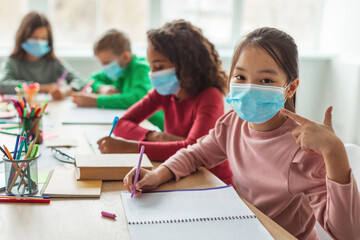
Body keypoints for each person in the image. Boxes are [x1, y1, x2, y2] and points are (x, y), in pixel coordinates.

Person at [123, 27, 360, 240]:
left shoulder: (303, 149)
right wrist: (158, 174)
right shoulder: (233, 122)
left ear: (291, 87)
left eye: (266, 80)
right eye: (240, 77)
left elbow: (347, 234)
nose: (248, 89)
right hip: (244, 227)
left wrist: (335, 154)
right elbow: (196, 153)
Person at [97, 20, 233, 185]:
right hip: (175, 174)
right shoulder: (164, 93)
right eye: (151, 67)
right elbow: (121, 123)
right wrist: (156, 136)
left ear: (185, 65)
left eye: (159, 67)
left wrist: (131, 147)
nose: (152, 74)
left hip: (210, 181)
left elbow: (192, 151)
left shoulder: (210, 96)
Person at [72, 29, 164, 130]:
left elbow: (136, 99)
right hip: (136, 123)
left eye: (107, 63)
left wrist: (96, 101)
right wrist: (102, 88)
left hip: (154, 127)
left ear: (125, 57)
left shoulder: (141, 69)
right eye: (101, 63)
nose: (104, 68)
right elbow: (92, 78)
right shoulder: (120, 70)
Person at [0, 11, 86, 100]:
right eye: (34, 37)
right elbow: (2, 85)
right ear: (22, 37)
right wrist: (42, 88)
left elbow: (80, 81)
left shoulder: (54, 63)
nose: (38, 42)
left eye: (43, 38)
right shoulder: (12, 63)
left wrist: (66, 91)